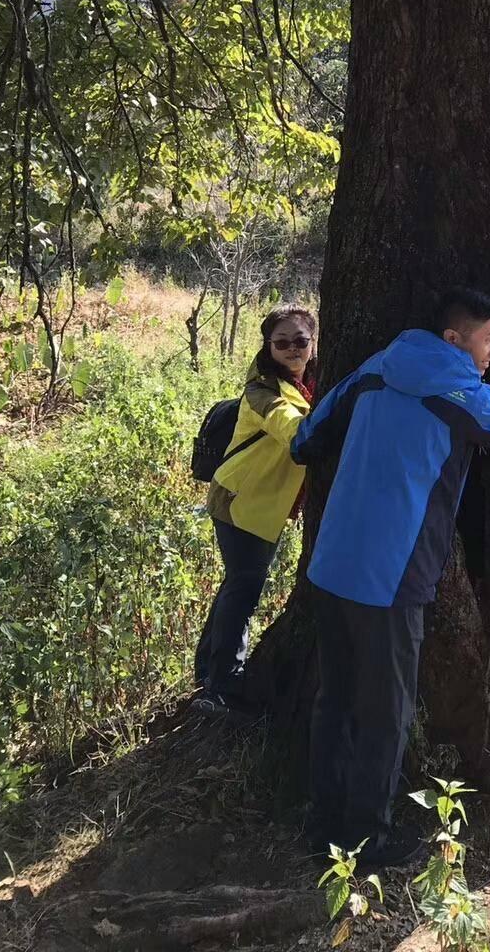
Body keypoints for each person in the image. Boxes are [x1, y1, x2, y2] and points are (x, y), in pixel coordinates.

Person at [291, 286, 490, 868]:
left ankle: (322, 822)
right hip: (392, 573)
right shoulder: (460, 391)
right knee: (387, 710)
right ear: (454, 339)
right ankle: (366, 841)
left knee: (334, 697)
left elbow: (310, 433)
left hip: (334, 559)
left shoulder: (378, 365)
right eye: (489, 339)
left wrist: (308, 445)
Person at [193, 305, 317, 716]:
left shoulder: (310, 381)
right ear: (268, 346)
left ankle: (207, 669)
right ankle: (222, 685)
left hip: (261, 503)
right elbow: (295, 432)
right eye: (283, 342)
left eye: (301, 341)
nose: (293, 349)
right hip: (240, 502)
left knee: (237, 583)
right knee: (245, 587)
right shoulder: (262, 392)